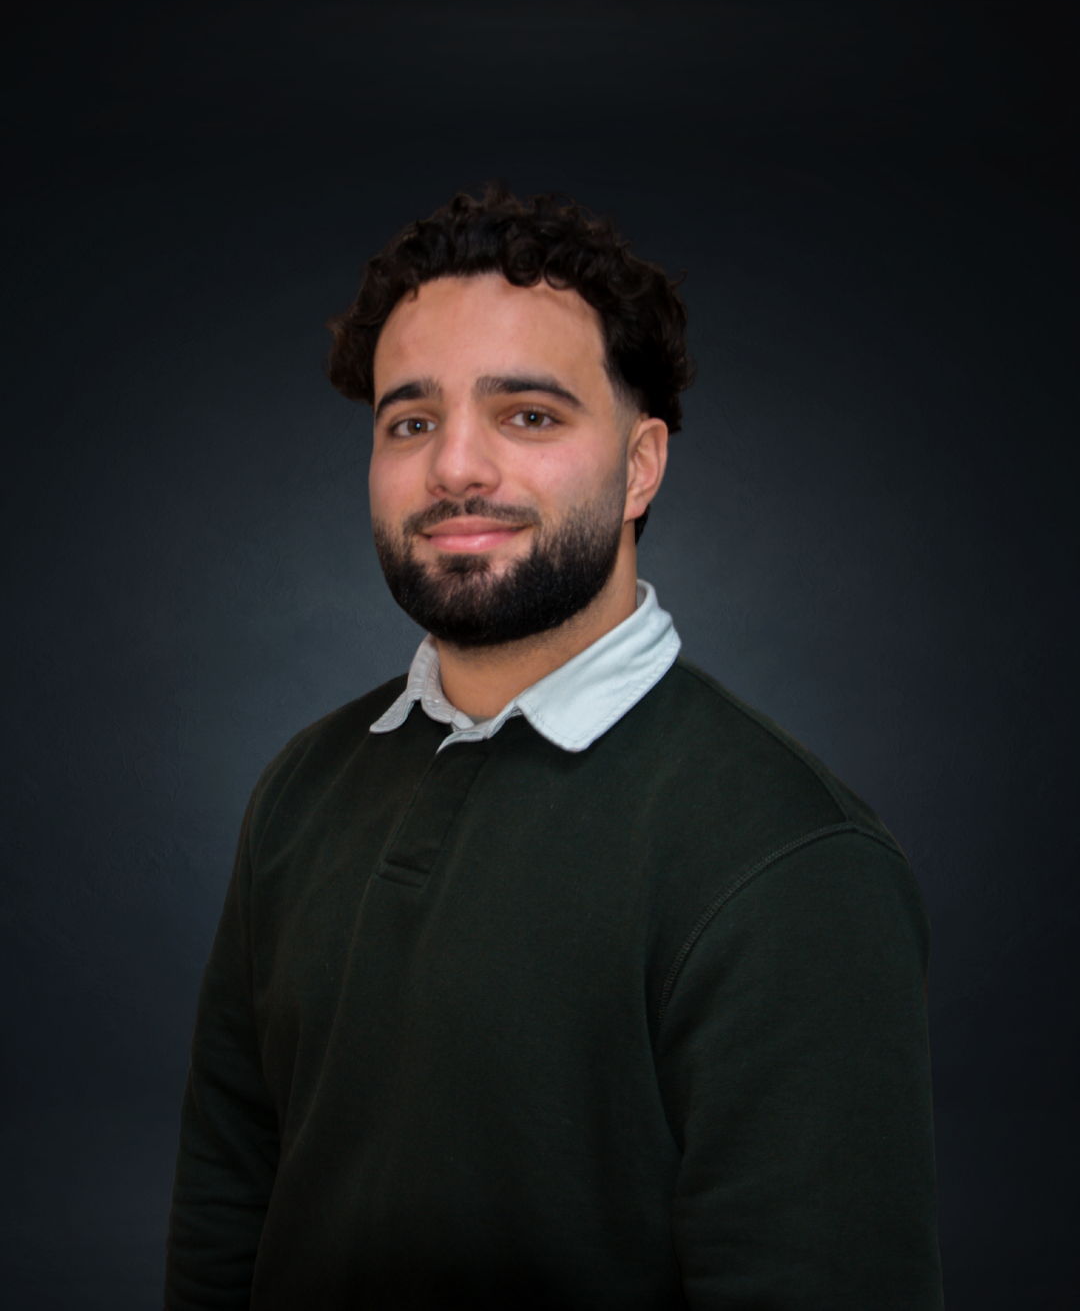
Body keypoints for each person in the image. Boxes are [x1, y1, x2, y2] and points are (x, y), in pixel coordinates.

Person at [164, 184, 943, 1309]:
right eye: (410, 422)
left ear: (641, 465)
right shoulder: (301, 788)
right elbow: (224, 1212)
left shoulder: (792, 863)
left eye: (527, 415)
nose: (455, 468)